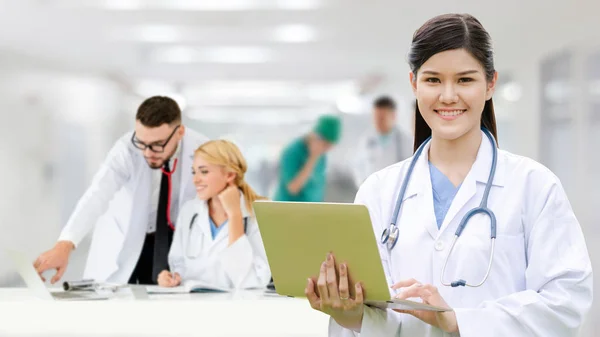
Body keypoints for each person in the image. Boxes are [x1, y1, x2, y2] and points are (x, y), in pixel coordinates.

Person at [304, 13, 593, 336]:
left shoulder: (534, 186)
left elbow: (566, 303)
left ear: (491, 84)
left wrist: (459, 321)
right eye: (433, 80)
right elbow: (379, 318)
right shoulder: (380, 191)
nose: (448, 95)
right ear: (414, 84)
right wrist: (351, 315)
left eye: (465, 80)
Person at [34, 96, 209, 285]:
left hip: (177, 242)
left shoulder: (204, 150)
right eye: (142, 142)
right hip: (130, 240)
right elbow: (97, 194)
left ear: (180, 132)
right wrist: (66, 244)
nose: (148, 152)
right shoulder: (126, 149)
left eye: (158, 144)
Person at [157, 140, 271, 289]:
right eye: (194, 172)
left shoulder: (259, 215)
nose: (195, 179)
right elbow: (178, 264)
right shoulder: (189, 211)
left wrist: (235, 215)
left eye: (204, 171)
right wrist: (172, 278)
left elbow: (250, 281)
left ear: (229, 175)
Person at [273, 114, 342, 202]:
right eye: (326, 145)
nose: (326, 150)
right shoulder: (292, 152)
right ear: (317, 137)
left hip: (311, 211)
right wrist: (313, 157)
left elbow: (318, 188)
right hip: (288, 209)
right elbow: (293, 188)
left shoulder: (322, 156)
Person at [352, 96, 412, 188]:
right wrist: (363, 186)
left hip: (395, 191)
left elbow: (409, 169)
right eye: (375, 118)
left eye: (382, 118)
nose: (377, 122)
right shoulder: (366, 140)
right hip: (371, 191)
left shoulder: (404, 140)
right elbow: (358, 167)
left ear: (393, 116)